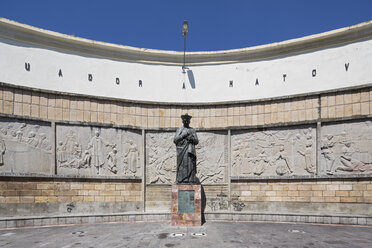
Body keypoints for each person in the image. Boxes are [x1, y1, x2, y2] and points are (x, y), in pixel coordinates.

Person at [173, 113, 199, 184]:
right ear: (182, 121)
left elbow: (196, 141)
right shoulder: (180, 129)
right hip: (182, 151)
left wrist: (192, 138)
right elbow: (175, 140)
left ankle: (191, 180)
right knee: (182, 165)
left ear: (189, 121)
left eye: (187, 120)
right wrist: (183, 135)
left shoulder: (192, 130)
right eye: (185, 120)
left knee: (190, 165)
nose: (186, 122)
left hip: (190, 150)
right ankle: (182, 180)